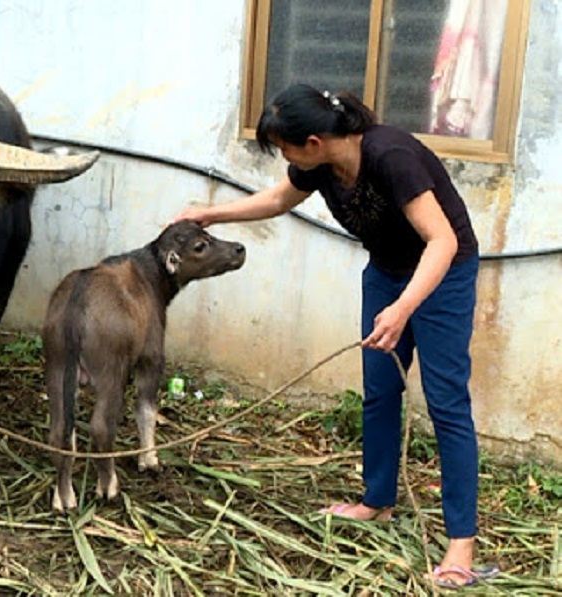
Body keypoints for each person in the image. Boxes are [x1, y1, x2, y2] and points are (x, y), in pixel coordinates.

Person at [175, 84, 496, 589]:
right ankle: (377, 502)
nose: (286, 160)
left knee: (446, 403)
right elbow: (278, 199)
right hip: (386, 272)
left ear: (314, 142)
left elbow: (443, 241)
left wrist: (403, 309)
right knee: (380, 392)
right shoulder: (319, 165)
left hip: (443, 276)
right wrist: (209, 215)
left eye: (286, 149)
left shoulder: (391, 156)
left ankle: (461, 546)